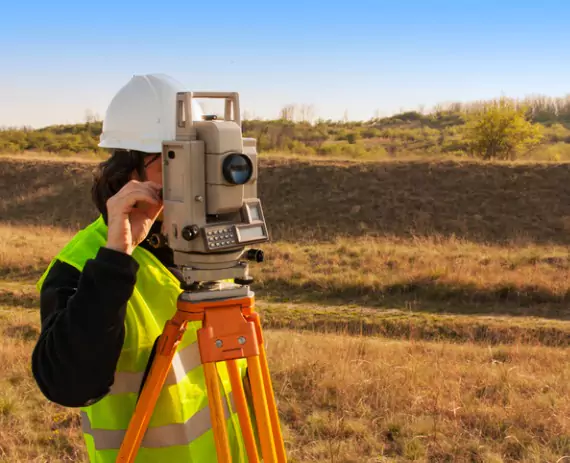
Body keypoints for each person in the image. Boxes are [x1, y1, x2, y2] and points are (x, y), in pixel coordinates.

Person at [31, 74, 252, 462]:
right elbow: (66, 385)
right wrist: (117, 256)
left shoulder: (203, 254)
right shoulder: (82, 265)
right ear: (129, 170)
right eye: (177, 161)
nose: (196, 179)